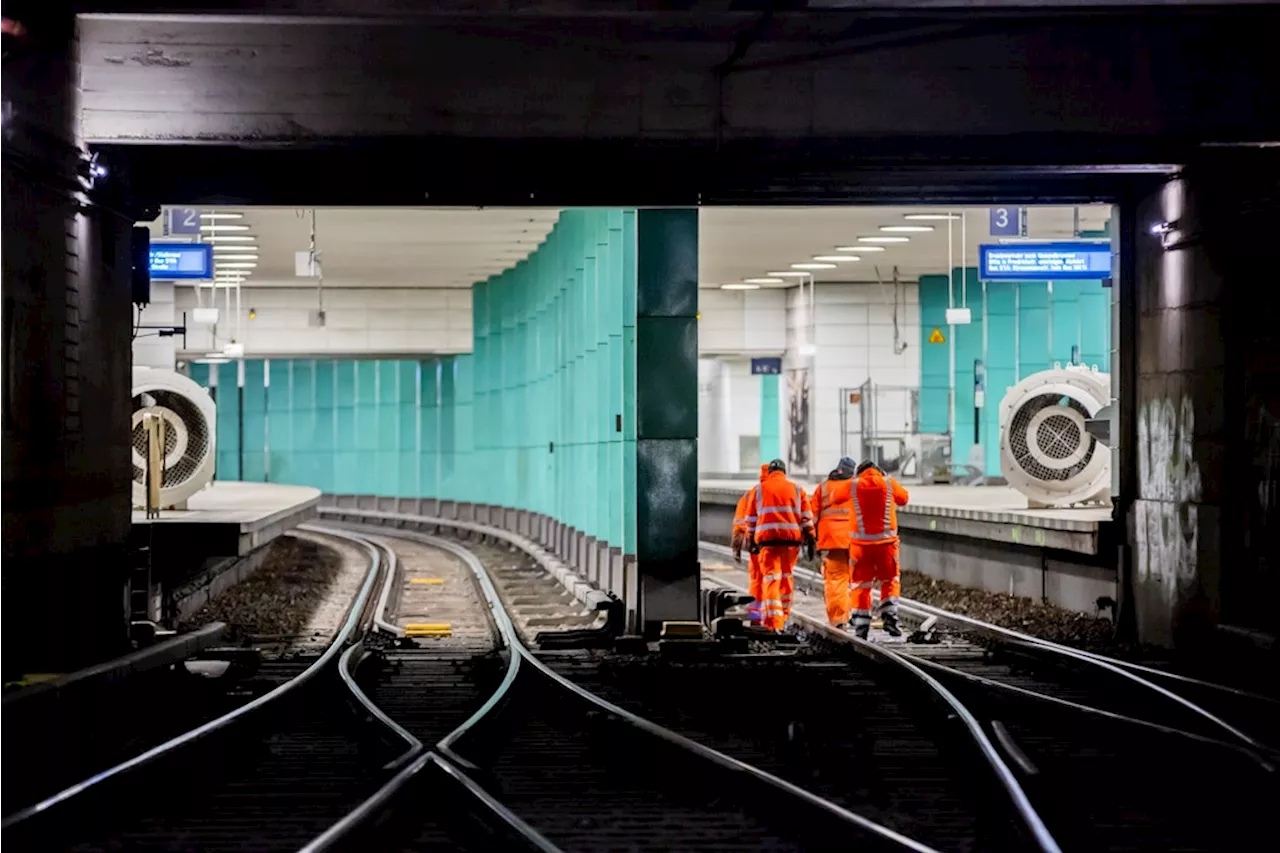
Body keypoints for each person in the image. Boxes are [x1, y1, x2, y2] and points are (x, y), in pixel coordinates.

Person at [742, 459, 815, 632]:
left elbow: (751, 519)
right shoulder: (797, 489)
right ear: (784, 472)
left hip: (768, 543)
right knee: (786, 577)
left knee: (771, 580)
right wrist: (811, 538)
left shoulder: (759, 490)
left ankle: (775, 622)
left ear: (770, 472)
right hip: (790, 543)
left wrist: (750, 539)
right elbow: (806, 517)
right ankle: (785, 615)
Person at [849, 460, 910, 639]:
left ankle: (861, 626)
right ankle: (889, 616)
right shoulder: (889, 483)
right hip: (886, 546)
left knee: (861, 585)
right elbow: (904, 499)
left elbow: (835, 498)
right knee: (890, 580)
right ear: (878, 471)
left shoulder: (853, 485)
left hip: (860, 548)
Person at [811, 457, 857, 628]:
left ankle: (839, 618)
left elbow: (812, 517)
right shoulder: (857, 487)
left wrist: (811, 540)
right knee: (856, 580)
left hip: (832, 541)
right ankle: (854, 614)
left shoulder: (823, 488)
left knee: (836, 580)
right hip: (855, 540)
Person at [732, 464, 770, 626]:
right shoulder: (784, 491)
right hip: (778, 545)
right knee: (775, 579)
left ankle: (755, 616)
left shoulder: (750, 495)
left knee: (757, 579)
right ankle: (774, 616)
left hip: (755, 544)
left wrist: (736, 546)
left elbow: (739, 522)